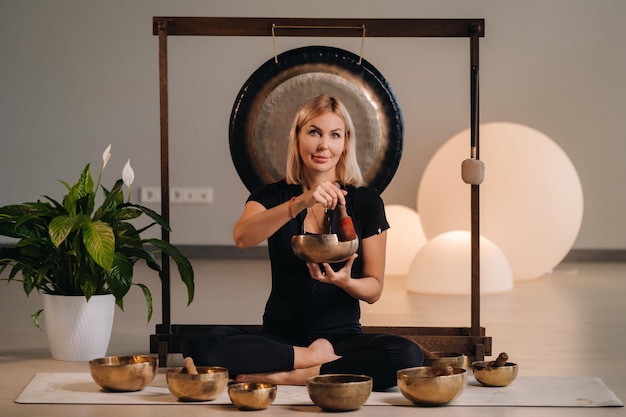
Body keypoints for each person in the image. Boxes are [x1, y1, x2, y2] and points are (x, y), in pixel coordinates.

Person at [182, 94, 423, 390]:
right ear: (297, 138)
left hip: (341, 339)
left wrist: (346, 282)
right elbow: (242, 237)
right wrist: (300, 202)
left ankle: (293, 374)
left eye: (335, 135)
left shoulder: (366, 202)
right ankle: (307, 359)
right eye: (314, 132)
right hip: (281, 337)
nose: (324, 145)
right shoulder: (271, 196)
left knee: (407, 356)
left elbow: (373, 290)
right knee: (201, 345)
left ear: (345, 143)